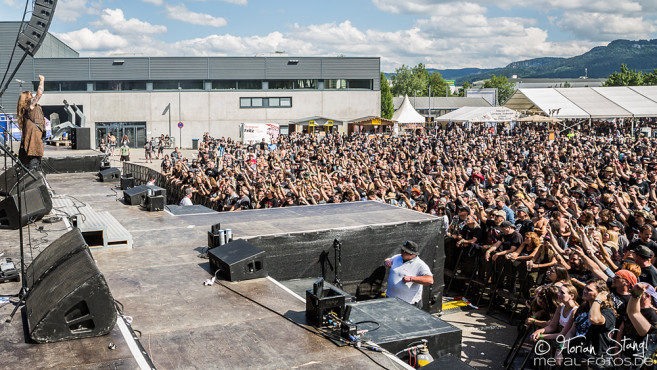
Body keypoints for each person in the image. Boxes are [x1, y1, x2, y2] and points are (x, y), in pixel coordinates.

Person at [384, 240, 434, 308]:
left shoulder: (420, 265)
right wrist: (387, 261)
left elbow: (429, 280)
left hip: (408, 304)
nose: (401, 252)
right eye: (401, 249)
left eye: (404, 251)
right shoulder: (398, 257)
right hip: (390, 299)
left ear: (412, 254)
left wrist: (411, 278)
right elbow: (389, 259)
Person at [16, 74, 46, 171]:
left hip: (34, 140)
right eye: (29, 94)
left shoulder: (28, 108)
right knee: (34, 165)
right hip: (34, 142)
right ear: (26, 99)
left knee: (34, 161)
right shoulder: (29, 105)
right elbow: (39, 94)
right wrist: (42, 81)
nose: (32, 95)